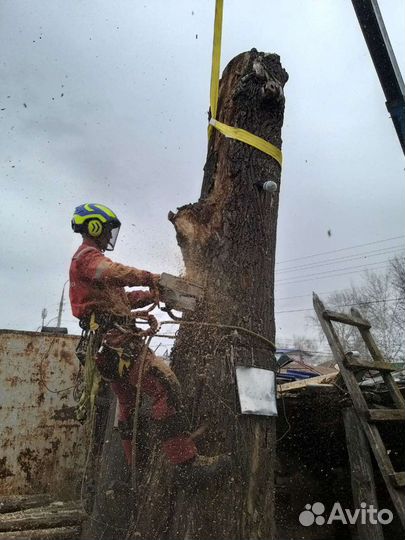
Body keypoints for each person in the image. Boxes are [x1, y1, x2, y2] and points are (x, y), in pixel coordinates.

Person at [69, 203, 230, 484]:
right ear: (93, 227)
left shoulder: (92, 268)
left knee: (129, 405)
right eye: (106, 230)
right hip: (118, 343)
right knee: (164, 384)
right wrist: (152, 278)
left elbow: (120, 300)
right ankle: (186, 466)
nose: (109, 236)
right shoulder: (88, 258)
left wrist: (152, 294)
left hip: (107, 346)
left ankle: (135, 470)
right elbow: (116, 272)